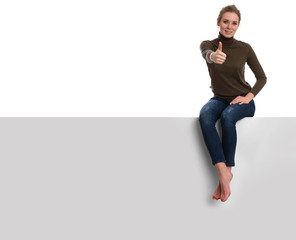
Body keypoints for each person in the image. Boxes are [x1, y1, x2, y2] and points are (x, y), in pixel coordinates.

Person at [199, 5, 267, 202]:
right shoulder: (208, 45)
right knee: (205, 116)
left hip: (241, 100)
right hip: (219, 99)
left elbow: (262, 77)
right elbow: (206, 54)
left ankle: (227, 172)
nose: (229, 26)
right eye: (225, 21)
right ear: (218, 22)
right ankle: (224, 173)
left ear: (238, 25)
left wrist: (249, 96)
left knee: (228, 116)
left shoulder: (245, 48)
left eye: (234, 23)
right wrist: (213, 56)